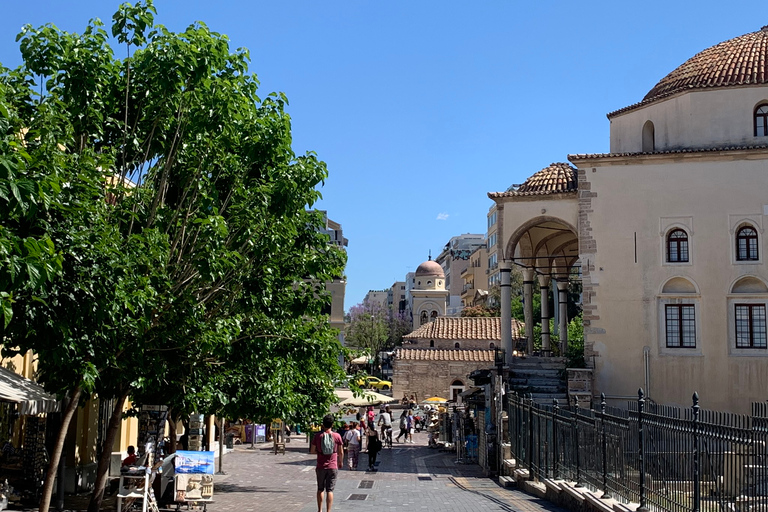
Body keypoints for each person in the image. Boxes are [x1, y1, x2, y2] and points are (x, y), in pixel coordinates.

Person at [310, 414, 344, 512]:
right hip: (333, 466)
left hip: (321, 466)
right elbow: (341, 452)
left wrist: (320, 452)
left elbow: (312, 451)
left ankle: (319, 510)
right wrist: (340, 462)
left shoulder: (318, 436)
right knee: (330, 490)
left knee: (320, 488)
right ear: (332, 424)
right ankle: (328, 511)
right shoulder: (337, 436)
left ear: (323, 424)